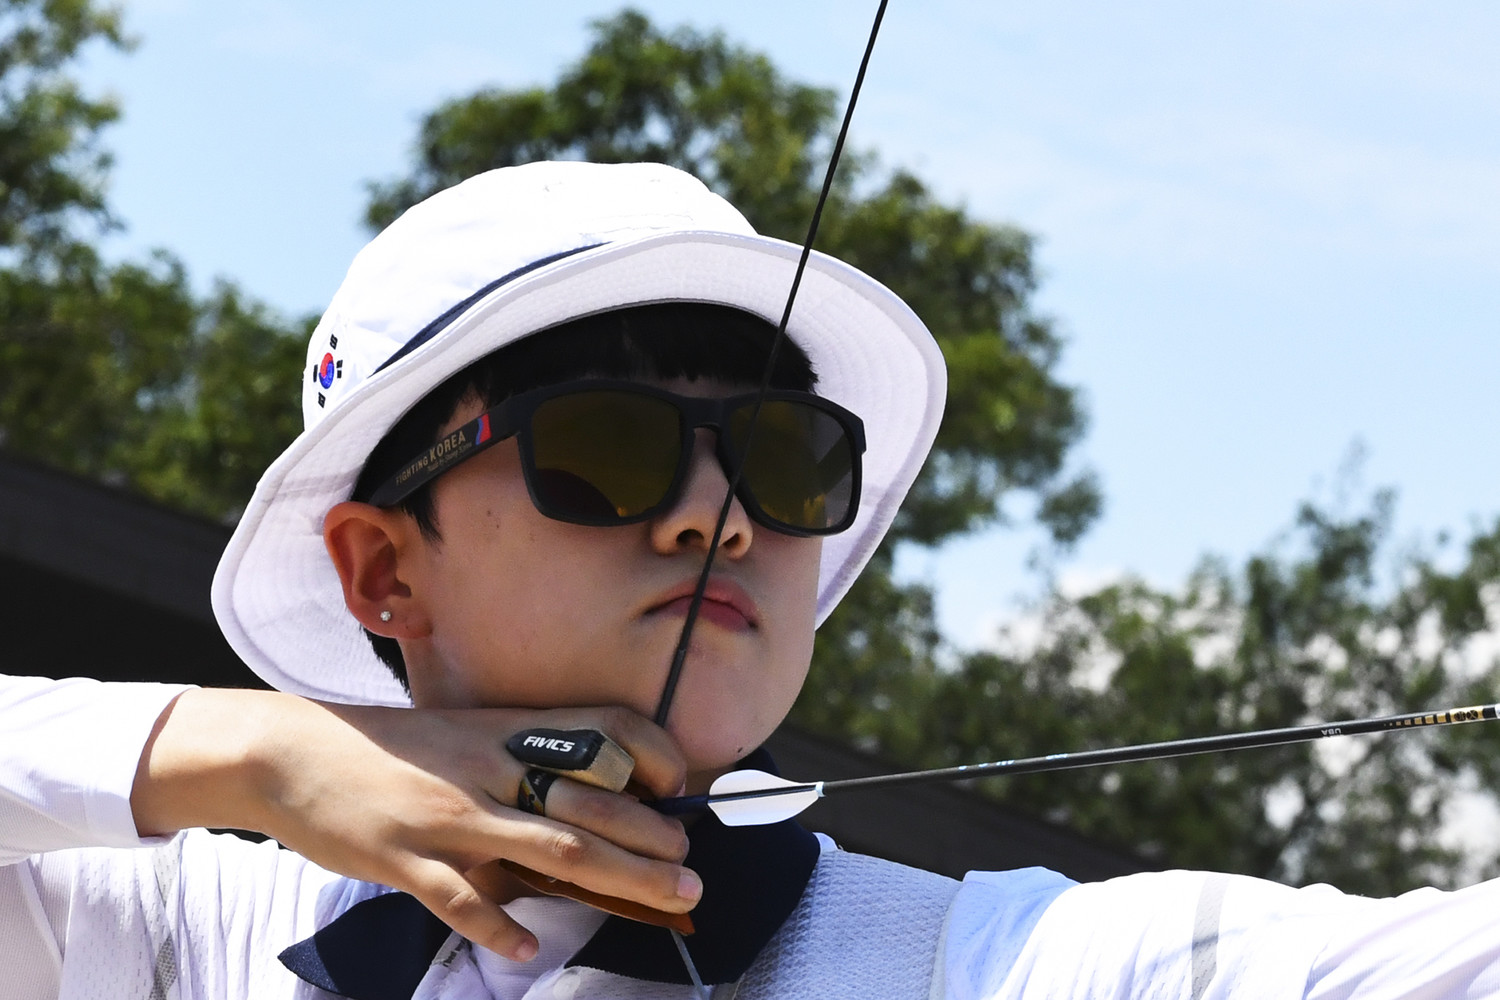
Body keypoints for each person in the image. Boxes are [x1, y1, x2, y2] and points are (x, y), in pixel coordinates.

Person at [2, 161, 1498, 1000]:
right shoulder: (177, 935)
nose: (717, 518)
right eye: (608, 447)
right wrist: (255, 752)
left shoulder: (1005, 971)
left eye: (784, 458)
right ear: (383, 567)